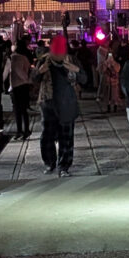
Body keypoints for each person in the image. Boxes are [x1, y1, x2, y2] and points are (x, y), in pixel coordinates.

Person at [32, 34, 87, 176]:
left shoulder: (71, 61)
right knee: (47, 136)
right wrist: (40, 71)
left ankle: (64, 166)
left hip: (66, 103)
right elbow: (34, 79)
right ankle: (50, 163)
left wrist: (76, 70)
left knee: (66, 137)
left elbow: (84, 79)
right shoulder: (44, 61)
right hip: (48, 103)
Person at [5, 36, 34, 139]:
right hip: (23, 86)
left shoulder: (13, 58)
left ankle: (19, 131)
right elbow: (27, 69)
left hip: (16, 86)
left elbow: (10, 71)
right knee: (23, 110)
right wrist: (27, 80)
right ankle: (25, 130)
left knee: (17, 110)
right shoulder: (24, 58)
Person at [97, 47, 121, 114]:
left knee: (115, 96)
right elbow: (101, 70)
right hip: (107, 82)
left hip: (114, 83)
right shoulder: (104, 63)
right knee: (108, 96)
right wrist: (106, 63)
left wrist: (113, 63)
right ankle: (108, 107)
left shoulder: (116, 63)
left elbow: (117, 69)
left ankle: (115, 107)